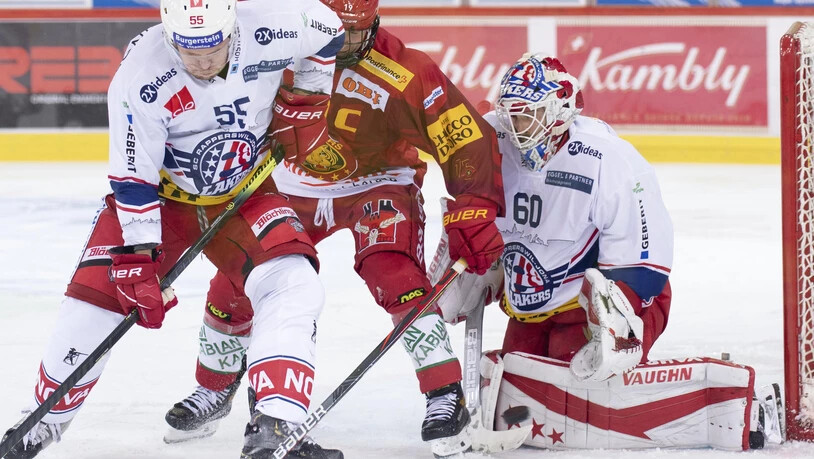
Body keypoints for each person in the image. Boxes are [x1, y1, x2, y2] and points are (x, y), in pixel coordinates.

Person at [2, 1, 346, 458]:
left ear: (232, 27)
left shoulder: (274, 24)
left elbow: (331, 32)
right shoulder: (141, 74)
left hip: (244, 193)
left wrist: (308, 99)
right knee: (95, 299)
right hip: (162, 202)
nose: (202, 61)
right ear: (168, 32)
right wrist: (138, 258)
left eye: (213, 47)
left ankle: (276, 423)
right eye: (188, 49)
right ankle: (40, 421)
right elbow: (132, 177)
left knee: (294, 283)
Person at [161, 0, 505, 455]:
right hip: (288, 184)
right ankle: (215, 386)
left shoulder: (407, 71)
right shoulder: (277, 45)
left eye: (352, 33)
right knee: (237, 281)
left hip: (377, 185)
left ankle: (444, 394)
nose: (337, 43)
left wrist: (474, 206)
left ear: (374, 23)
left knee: (393, 272)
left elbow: (465, 138)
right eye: (330, 30)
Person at [431, 53, 784, 452]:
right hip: (533, 304)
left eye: (527, 115)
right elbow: (473, 206)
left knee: (585, 397)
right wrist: (477, 263)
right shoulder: (492, 140)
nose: (515, 127)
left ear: (558, 111)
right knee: (524, 387)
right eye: (510, 114)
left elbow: (644, 258)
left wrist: (616, 327)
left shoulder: (607, 160)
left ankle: (735, 404)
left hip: (606, 302)